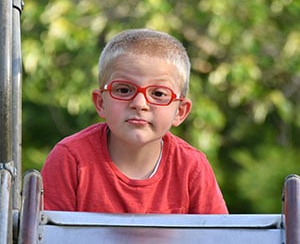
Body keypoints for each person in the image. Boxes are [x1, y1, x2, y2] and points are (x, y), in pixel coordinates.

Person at [41, 28, 228, 214]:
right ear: (100, 103)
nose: (139, 104)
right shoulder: (70, 158)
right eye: (123, 90)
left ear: (180, 111)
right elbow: (46, 235)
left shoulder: (191, 166)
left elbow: (217, 235)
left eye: (158, 93)